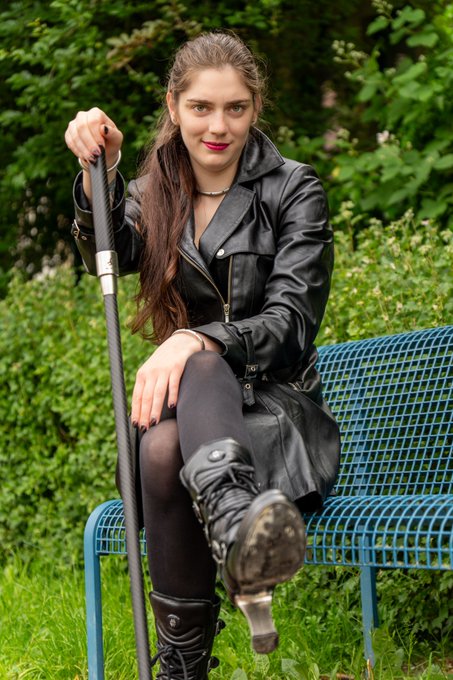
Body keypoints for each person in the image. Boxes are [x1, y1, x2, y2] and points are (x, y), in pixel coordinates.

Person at [65, 30, 340, 680]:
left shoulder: (292, 189)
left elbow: (291, 323)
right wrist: (100, 169)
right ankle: (237, 537)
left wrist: (195, 338)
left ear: (255, 108)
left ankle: (188, 650)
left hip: (272, 420)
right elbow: (107, 251)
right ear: (173, 106)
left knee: (194, 378)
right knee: (162, 443)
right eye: (201, 108)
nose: (218, 126)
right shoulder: (152, 193)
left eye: (235, 108)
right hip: (186, 428)